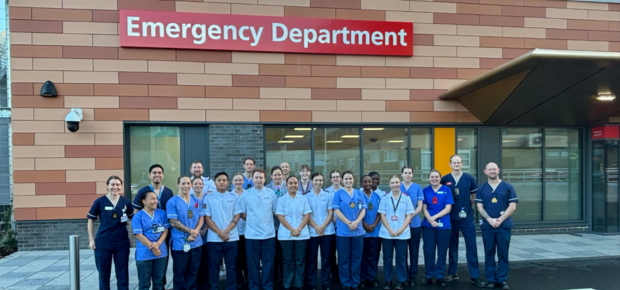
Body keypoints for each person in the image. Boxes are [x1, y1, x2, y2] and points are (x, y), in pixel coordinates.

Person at [440, 155, 484, 286]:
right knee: (452, 246)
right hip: (451, 218)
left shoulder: (469, 178)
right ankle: (453, 272)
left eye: (458, 162)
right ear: (450, 164)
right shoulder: (445, 179)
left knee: (471, 246)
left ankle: (475, 275)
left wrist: (467, 206)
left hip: (467, 218)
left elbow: (474, 196)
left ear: (462, 164)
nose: (456, 164)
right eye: (454, 162)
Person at [475, 163, 518, 290]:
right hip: (488, 226)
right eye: (490, 169)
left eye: (494, 169)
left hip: (504, 226)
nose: (492, 171)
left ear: (498, 170)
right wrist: (489, 220)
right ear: (485, 171)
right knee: (489, 252)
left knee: (503, 253)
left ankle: (502, 279)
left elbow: (512, 206)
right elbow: (479, 207)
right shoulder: (482, 189)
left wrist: (500, 219)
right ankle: (491, 279)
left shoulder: (508, 187)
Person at [87, 175, 134, 290]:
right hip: (103, 243)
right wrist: (91, 240)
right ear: (107, 186)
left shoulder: (125, 202)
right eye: (112, 184)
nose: (115, 187)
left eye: (118, 184)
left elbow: (132, 219)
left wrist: (132, 238)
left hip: (121, 243)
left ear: (121, 186)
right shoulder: (99, 202)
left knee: (122, 273)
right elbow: (90, 220)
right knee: (104, 273)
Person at [132, 164, 174, 290]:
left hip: (162, 235)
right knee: (144, 281)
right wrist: (142, 230)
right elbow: (136, 213)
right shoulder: (142, 191)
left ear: (163, 175)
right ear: (149, 175)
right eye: (154, 172)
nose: (157, 175)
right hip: (146, 237)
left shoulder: (168, 191)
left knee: (160, 274)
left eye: (160, 172)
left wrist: (158, 243)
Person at [240, 168, 278, 290]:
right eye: (256, 177)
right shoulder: (246, 194)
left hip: (268, 236)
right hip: (251, 236)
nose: (258, 180)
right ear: (252, 178)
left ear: (265, 179)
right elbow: (243, 214)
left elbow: (274, 212)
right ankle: (254, 287)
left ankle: (268, 286)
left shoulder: (271, 193)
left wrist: (264, 221)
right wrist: (254, 222)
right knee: (252, 265)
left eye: (261, 177)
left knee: (268, 264)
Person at [205, 172, 242, 290]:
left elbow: (237, 216)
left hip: (231, 238)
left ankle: (231, 287)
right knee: (213, 267)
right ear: (215, 182)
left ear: (227, 182)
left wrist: (226, 231)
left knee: (231, 267)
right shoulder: (209, 198)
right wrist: (219, 232)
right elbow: (207, 218)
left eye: (224, 180)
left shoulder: (234, 197)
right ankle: (214, 287)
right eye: (219, 180)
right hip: (214, 239)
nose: (221, 182)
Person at [167, 175, 205, 290]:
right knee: (180, 272)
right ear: (178, 185)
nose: (186, 186)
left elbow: (201, 218)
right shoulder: (172, 202)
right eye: (183, 183)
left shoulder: (196, 201)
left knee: (193, 271)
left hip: (196, 242)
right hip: (180, 243)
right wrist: (190, 231)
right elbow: (173, 222)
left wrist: (196, 232)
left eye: (188, 183)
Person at [378, 175, 415, 290]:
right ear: (389, 184)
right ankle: (388, 281)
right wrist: (389, 229)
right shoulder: (385, 197)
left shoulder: (406, 198)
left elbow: (409, 215)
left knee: (401, 258)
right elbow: (382, 215)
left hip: (402, 233)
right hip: (387, 233)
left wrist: (401, 229)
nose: (395, 185)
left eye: (397, 182)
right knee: (387, 258)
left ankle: (401, 280)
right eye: (392, 183)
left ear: (400, 183)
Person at [332, 170, 367, 290]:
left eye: (350, 179)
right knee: (344, 259)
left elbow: (363, 210)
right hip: (343, 232)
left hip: (357, 231)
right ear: (342, 180)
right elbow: (336, 211)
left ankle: (355, 281)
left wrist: (356, 222)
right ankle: (346, 282)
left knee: (356, 258)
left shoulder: (359, 193)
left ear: (353, 180)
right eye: (346, 179)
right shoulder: (338, 194)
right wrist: (348, 223)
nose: (348, 181)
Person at [276, 176, 312, 290]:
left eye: (295, 183)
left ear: (298, 184)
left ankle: (298, 285)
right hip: (286, 236)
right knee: (287, 262)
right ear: (286, 185)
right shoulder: (281, 199)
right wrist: (292, 229)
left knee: (300, 261)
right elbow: (280, 216)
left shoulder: (303, 198)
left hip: (301, 235)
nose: (293, 185)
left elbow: (307, 215)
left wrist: (299, 229)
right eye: (290, 183)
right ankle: (288, 285)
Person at [421, 170, 453, 287]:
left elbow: (448, 208)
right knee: (429, 251)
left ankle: (440, 276)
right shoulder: (425, 190)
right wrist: (430, 219)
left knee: (442, 252)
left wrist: (434, 217)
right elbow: (423, 207)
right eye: (432, 177)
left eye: (436, 177)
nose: (434, 179)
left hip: (444, 226)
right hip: (428, 226)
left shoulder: (446, 190)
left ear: (440, 178)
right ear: (429, 178)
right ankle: (428, 276)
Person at [305, 172, 334, 290]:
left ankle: (325, 282)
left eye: (320, 180)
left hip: (327, 231)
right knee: (311, 258)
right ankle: (312, 283)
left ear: (323, 181)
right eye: (316, 180)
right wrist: (317, 227)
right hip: (312, 232)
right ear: (311, 181)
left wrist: (322, 227)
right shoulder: (306, 196)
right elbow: (306, 214)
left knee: (326, 258)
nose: (318, 183)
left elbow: (330, 213)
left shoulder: (328, 195)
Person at [400, 166, 424, 287]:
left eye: (410, 173)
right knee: (402, 252)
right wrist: (404, 218)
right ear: (402, 174)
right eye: (405, 173)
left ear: (412, 175)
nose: (408, 175)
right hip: (401, 225)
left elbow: (419, 206)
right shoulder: (397, 186)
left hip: (414, 224)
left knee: (414, 251)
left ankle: (413, 276)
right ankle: (403, 276)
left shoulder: (417, 188)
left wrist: (409, 217)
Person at [266, 166, 287, 285]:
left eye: (279, 174)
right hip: (272, 227)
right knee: (272, 254)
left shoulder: (287, 187)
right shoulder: (267, 188)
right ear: (271, 176)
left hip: (285, 226)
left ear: (283, 175)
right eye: (275, 175)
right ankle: (273, 278)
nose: (277, 177)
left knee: (284, 254)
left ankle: (285, 278)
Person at [360, 175, 382, 289]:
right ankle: (362, 279)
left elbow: (380, 213)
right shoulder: (359, 196)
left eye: (370, 181)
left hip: (375, 232)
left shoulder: (377, 197)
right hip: (362, 233)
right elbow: (357, 213)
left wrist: (373, 225)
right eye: (365, 181)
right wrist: (365, 225)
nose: (368, 183)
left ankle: (371, 278)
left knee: (373, 256)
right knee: (362, 257)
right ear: (361, 184)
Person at [192, 178, 210, 290]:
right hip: (194, 235)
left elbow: (211, 216)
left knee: (205, 263)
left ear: (203, 185)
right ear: (191, 186)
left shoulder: (208, 198)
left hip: (207, 235)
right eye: (195, 183)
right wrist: (197, 231)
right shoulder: (189, 199)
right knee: (195, 264)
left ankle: (205, 286)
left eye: (200, 183)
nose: (198, 185)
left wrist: (205, 229)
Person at [325, 169, 342, 282]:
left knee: (341, 252)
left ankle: (341, 272)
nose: (336, 179)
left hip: (342, 226)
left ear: (341, 178)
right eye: (333, 177)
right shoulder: (326, 192)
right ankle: (333, 272)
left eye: (337, 176)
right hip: (330, 226)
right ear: (330, 179)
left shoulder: (346, 191)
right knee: (330, 252)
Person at [232, 173, 249, 289]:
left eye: (240, 180)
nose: (238, 182)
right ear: (232, 182)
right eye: (236, 180)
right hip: (234, 232)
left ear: (244, 181)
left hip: (247, 231)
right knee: (235, 257)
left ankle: (248, 278)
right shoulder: (229, 195)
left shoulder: (248, 194)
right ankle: (238, 279)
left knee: (247, 257)